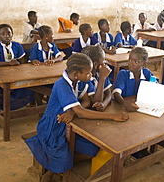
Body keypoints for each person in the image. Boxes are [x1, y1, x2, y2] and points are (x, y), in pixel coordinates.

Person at [25, 53, 129, 182]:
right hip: (53, 126)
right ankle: (51, 172)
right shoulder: (62, 85)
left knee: (92, 147)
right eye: (87, 73)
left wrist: (72, 112)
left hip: (69, 122)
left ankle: (59, 164)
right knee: (63, 157)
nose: (90, 75)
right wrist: (112, 116)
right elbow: (82, 112)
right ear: (76, 74)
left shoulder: (78, 82)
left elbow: (86, 102)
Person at [0, 24, 35, 128]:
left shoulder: (17, 45)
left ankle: (33, 106)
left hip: (15, 74)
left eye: (9, 33)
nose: (6, 36)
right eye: (3, 34)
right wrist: (7, 64)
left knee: (30, 82)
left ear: (12, 35)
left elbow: (21, 62)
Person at [112, 47, 155, 112]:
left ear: (144, 63)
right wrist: (124, 103)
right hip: (120, 107)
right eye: (129, 60)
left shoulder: (147, 73)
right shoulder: (123, 74)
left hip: (138, 107)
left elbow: (156, 90)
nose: (131, 63)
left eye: (136, 61)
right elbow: (116, 93)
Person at [81, 45, 112, 111]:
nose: (105, 63)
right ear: (95, 64)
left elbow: (109, 93)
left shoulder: (100, 73)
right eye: (103, 60)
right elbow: (95, 103)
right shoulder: (85, 78)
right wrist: (102, 78)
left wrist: (104, 104)